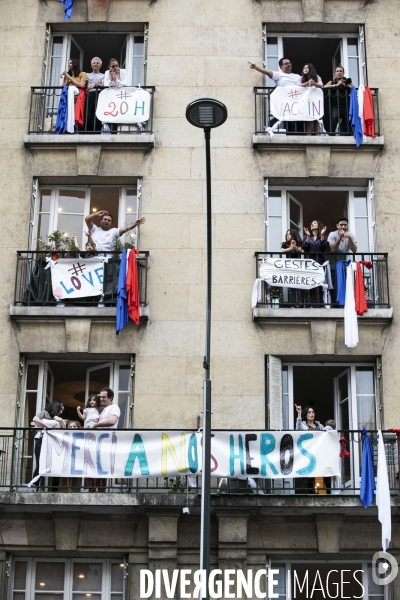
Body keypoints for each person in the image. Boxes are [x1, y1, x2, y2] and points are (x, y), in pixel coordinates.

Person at [32, 401, 65, 487]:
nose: (61, 412)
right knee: (40, 464)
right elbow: (35, 419)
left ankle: (54, 489)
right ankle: (34, 487)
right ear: (56, 407)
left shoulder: (57, 418)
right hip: (41, 441)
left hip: (53, 444)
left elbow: (64, 431)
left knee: (55, 465)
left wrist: (61, 421)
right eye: (60, 409)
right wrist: (47, 427)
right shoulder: (44, 413)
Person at [295, 404, 324, 494]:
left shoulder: (320, 426)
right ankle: (311, 494)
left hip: (319, 452)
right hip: (308, 453)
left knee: (324, 470)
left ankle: (329, 492)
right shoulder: (303, 426)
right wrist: (299, 414)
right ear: (305, 415)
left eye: (313, 412)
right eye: (309, 412)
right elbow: (298, 431)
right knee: (310, 475)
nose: (312, 414)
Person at [327, 216, 357, 304]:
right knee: (335, 287)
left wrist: (350, 239)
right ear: (337, 225)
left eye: (345, 225)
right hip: (334, 266)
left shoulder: (351, 235)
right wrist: (339, 239)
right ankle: (335, 305)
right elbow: (332, 249)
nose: (343, 227)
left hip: (345, 266)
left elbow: (355, 250)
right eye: (341, 225)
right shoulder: (332, 234)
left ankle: (345, 305)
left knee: (346, 286)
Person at [302, 220, 328, 305]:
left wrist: (322, 235)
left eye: (315, 223)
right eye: (311, 223)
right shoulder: (305, 237)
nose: (312, 224)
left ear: (319, 225)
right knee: (311, 283)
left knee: (320, 284)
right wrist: (308, 237)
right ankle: (312, 304)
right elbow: (305, 247)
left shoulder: (323, 237)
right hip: (310, 265)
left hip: (320, 264)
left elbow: (324, 247)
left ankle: (320, 303)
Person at [324, 65, 354, 134]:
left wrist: (347, 86)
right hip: (335, 105)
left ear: (343, 73)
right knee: (334, 118)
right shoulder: (332, 81)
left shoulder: (347, 80)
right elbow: (325, 87)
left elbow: (354, 88)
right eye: (337, 71)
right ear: (335, 73)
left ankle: (348, 136)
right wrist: (336, 85)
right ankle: (331, 135)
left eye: (341, 71)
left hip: (346, 104)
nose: (339, 73)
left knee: (347, 121)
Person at [297, 64, 323, 134]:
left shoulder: (317, 77)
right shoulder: (301, 78)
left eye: (307, 68)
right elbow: (298, 86)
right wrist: (307, 83)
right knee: (309, 119)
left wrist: (314, 83)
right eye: (304, 68)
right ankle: (309, 135)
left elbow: (321, 85)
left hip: (315, 101)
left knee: (317, 119)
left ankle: (318, 135)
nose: (305, 69)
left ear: (311, 69)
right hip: (305, 101)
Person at [280, 229, 303, 307]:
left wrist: (295, 247)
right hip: (289, 267)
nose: (287, 236)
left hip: (298, 267)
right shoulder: (285, 244)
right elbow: (281, 251)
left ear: (293, 235)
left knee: (299, 286)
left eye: (289, 234)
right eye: (287, 235)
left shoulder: (298, 243)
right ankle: (292, 304)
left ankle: (300, 304)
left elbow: (300, 251)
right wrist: (290, 248)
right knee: (291, 287)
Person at [86, 56, 104, 132]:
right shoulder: (87, 75)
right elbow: (83, 85)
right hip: (90, 95)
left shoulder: (103, 75)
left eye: (97, 63)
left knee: (98, 113)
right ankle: (89, 130)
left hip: (99, 95)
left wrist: (96, 85)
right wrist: (88, 88)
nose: (95, 64)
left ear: (100, 65)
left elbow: (104, 84)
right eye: (94, 63)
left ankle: (97, 130)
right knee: (88, 113)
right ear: (91, 65)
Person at [324, 419, 337, 494]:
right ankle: (330, 491)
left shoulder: (324, 430)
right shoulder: (333, 432)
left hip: (324, 455)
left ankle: (328, 491)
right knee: (330, 474)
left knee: (325, 473)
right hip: (330, 455)